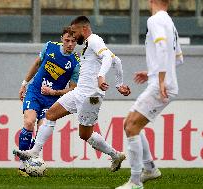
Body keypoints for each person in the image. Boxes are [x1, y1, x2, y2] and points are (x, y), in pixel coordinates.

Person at [13, 15, 131, 172]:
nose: (73, 37)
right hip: (79, 92)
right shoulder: (89, 44)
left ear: (84, 29)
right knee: (50, 115)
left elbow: (109, 57)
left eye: (75, 32)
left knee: (85, 134)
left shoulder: (95, 40)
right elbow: (117, 61)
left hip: (91, 97)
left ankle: (115, 155)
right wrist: (119, 83)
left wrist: (101, 76)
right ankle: (34, 152)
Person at [116, 0, 184, 188]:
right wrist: (152, 73)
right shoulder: (169, 22)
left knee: (131, 126)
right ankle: (150, 169)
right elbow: (178, 58)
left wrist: (160, 79)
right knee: (130, 123)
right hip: (163, 81)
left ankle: (136, 181)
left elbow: (162, 49)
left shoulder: (154, 20)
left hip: (162, 84)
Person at [17, 26, 80, 176]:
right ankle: (22, 165)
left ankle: (31, 160)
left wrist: (54, 92)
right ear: (61, 39)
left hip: (51, 100)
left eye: (73, 41)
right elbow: (37, 64)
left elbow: (73, 88)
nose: (70, 44)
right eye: (67, 40)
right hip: (34, 92)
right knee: (29, 122)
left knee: (42, 130)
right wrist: (24, 84)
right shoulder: (49, 47)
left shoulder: (76, 63)